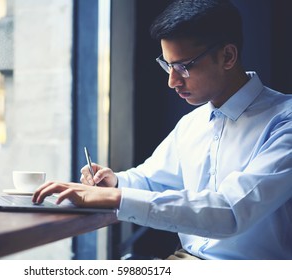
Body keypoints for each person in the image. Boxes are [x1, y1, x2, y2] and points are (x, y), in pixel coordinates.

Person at [33, 0, 292, 260]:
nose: (172, 81)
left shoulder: (285, 121)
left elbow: (229, 212)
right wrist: (115, 182)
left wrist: (115, 198)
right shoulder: (192, 123)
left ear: (227, 56)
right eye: (167, 65)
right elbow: (151, 180)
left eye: (184, 67)